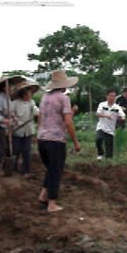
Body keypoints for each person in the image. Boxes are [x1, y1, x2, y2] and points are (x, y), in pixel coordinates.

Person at [37, 70, 80, 213]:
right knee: (56, 171)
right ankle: (52, 203)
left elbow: (40, 118)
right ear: (64, 85)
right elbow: (68, 123)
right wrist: (75, 142)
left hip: (42, 139)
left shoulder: (44, 98)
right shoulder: (63, 98)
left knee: (51, 169)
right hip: (56, 140)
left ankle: (43, 195)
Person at [0, 75, 26, 174]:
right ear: (5, 87)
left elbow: (9, 111)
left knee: (2, 146)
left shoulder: (7, 97)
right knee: (1, 146)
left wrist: (13, 117)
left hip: (3, 125)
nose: (13, 88)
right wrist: (5, 121)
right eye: (11, 86)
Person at [11, 80, 39, 177]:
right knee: (16, 150)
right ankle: (13, 168)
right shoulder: (15, 103)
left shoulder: (32, 102)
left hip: (28, 131)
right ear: (23, 94)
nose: (29, 96)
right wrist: (13, 117)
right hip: (17, 130)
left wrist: (39, 112)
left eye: (30, 94)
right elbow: (10, 112)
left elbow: (36, 111)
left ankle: (26, 170)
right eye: (27, 94)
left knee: (27, 151)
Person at [95, 89, 126, 159]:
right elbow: (97, 114)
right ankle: (100, 153)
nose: (112, 98)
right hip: (101, 127)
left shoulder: (117, 107)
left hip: (111, 130)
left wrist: (121, 118)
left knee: (109, 153)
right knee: (98, 139)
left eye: (114, 96)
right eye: (111, 96)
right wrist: (106, 116)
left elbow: (123, 116)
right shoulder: (102, 104)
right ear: (107, 96)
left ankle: (108, 164)